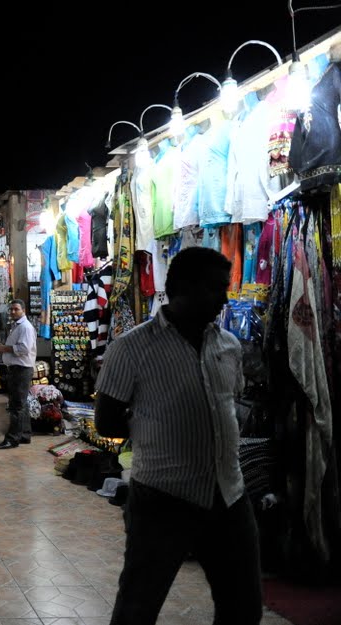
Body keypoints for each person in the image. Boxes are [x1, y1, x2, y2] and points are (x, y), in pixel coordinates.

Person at [94, 247, 260, 625]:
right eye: (216, 288)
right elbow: (106, 421)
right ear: (183, 288)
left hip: (229, 495)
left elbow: (227, 406)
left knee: (243, 607)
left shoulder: (228, 345)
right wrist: (157, 428)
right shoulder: (132, 348)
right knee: (139, 606)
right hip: (162, 500)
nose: (225, 297)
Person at [0, 299, 36, 449]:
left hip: (21, 369)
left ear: (23, 310)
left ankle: (12, 438)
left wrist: (4, 349)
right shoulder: (17, 326)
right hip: (17, 368)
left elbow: (24, 348)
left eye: (16, 309)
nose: (12, 312)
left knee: (16, 405)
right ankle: (24, 434)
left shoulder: (25, 327)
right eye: (11, 309)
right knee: (21, 404)